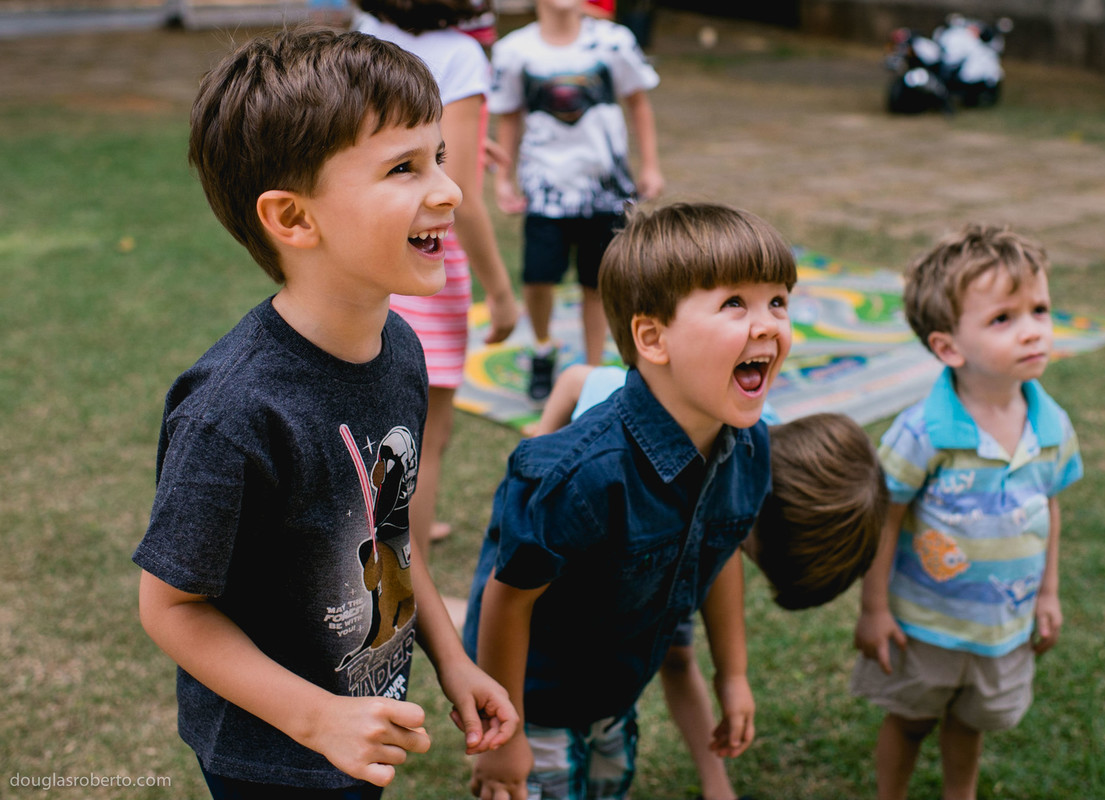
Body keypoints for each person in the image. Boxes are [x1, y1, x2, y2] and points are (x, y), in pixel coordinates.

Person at [132, 30, 518, 798]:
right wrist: (317, 720)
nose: (448, 191)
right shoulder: (234, 411)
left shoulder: (401, 348)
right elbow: (170, 608)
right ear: (294, 218)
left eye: (439, 156)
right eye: (404, 167)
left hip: (364, 725)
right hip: (270, 756)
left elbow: (392, 534)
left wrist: (453, 659)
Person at [460, 202, 796, 800]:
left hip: (619, 684)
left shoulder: (749, 446)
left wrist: (735, 675)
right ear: (651, 337)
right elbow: (506, 601)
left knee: (610, 783)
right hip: (536, 694)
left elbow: (717, 552)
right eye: (734, 304)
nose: (769, 324)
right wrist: (502, 731)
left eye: (778, 301)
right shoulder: (582, 477)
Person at [534, 364, 888, 800]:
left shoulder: (755, 467)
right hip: (612, 555)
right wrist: (537, 449)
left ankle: (716, 784)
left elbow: (724, 558)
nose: (739, 552)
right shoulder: (660, 420)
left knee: (678, 654)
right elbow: (573, 380)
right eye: (749, 548)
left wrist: (732, 673)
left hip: (674, 554)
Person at [851, 224, 1084, 800]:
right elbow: (887, 516)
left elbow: (1048, 509)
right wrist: (874, 608)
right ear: (948, 347)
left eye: (1039, 309)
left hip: (1002, 627)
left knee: (970, 723)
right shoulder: (923, 431)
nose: (1033, 331)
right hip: (922, 626)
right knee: (909, 722)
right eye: (1003, 319)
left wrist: (1048, 593)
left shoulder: (1052, 427)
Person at [355, 0, 521, 557]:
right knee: (426, 432)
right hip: (425, 257)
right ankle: (412, 555)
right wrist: (500, 291)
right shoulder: (461, 55)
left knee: (372, 417)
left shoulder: (365, 35)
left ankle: (395, 528)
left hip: (368, 248)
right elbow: (462, 196)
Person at [489, 0, 665, 399]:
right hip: (546, 190)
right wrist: (505, 177)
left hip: (605, 190)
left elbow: (638, 102)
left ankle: (591, 368)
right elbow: (510, 114)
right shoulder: (514, 51)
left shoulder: (614, 42)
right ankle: (542, 347)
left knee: (599, 282)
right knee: (537, 277)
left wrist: (650, 165)